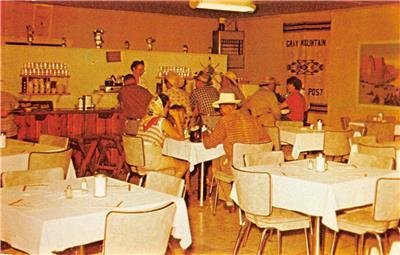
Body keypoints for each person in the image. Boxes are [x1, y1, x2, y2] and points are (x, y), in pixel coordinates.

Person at [202, 93, 269, 209]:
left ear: (226, 107)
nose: (220, 111)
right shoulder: (252, 119)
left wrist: (204, 134)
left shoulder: (225, 121)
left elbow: (210, 144)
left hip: (236, 166)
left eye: (221, 108)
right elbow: (267, 140)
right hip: (255, 163)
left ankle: (229, 201)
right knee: (224, 158)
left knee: (216, 161)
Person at [136, 96, 189, 178]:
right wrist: (176, 117)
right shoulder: (161, 121)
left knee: (171, 170)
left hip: (138, 159)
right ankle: (170, 190)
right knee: (183, 166)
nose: (168, 110)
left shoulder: (144, 119)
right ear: (161, 107)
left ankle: (160, 188)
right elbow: (181, 137)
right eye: (167, 107)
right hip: (151, 159)